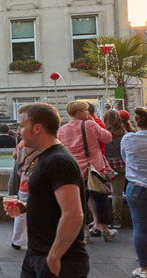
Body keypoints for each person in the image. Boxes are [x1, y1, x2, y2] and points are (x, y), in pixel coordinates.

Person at [4, 102, 89, 277]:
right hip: (37, 253)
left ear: (37, 128)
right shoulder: (47, 157)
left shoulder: (59, 161)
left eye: (21, 126)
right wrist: (26, 206)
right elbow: (53, 203)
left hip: (59, 258)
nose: (19, 131)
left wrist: (54, 256)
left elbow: (73, 214)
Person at [57, 100, 115, 241]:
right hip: (94, 168)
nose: (88, 113)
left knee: (80, 201)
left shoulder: (62, 129)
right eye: (85, 110)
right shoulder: (89, 124)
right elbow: (107, 138)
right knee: (101, 198)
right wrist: (92, 122)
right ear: (78, 112)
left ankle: (85, 233)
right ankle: (105, 230)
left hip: (74, 170)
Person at [121, 107, 147, 278]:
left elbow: (125, 158)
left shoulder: (129, 139)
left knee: (140, 227)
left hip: (138, 186)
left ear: (137, 122)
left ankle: (144, 269)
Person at [10, 107, 40, 251]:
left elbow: (15, 157)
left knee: (21, 213)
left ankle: (17, 240)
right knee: (35, 211)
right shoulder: (35, 144)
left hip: (24, 180)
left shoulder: (20, 144)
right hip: (35, 180)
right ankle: (32, 240)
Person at [103, 109, 128, 228]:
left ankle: (103, 220)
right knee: (117, 194)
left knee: (102, 192)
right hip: (120, 165)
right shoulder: (124, 133)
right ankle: (117, 220)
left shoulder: (103, 132)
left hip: (106, 166)